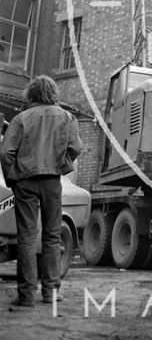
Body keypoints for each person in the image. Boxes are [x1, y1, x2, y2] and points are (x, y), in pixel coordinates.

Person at [0, 75, 83, 309]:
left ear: (31, 94)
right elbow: (75, 148)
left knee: (26, 238)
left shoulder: (20, 119)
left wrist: (13, 180)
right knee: (52, 236)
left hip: (25, 181)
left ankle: (26, 297)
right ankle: (51, 293)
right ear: (53, 93)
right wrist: (60, 166)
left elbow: (6, 153)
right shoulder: (67, 117)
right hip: (52, 183)